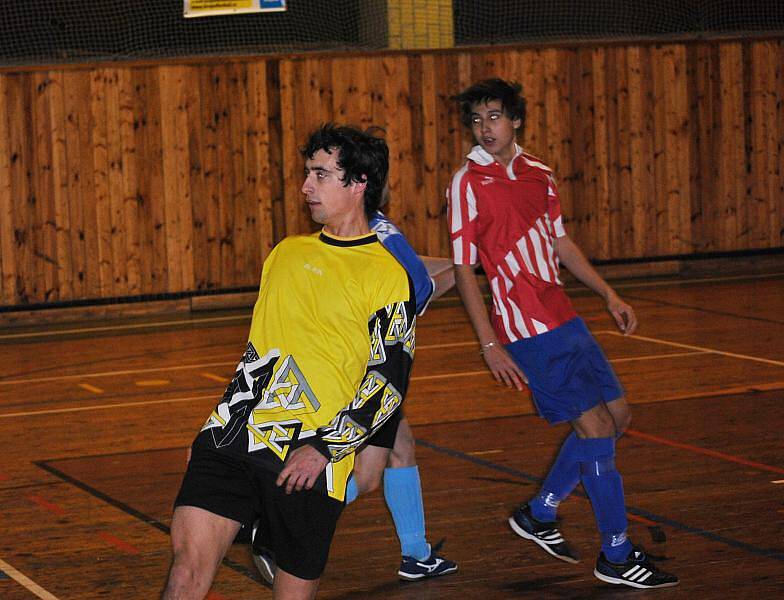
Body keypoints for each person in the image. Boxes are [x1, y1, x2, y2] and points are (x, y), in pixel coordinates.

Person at [162, 123, 418, 600]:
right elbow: (259, 353)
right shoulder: (285, 254)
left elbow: (388, 382)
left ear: (358, 182)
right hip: (235, 439)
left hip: (310, 456)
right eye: (307, 173)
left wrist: (326, 448)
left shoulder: (387, 275)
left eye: (320, 175)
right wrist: (217, 426)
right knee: (186, 570)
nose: (305, 187)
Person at [447, 78, 679, 589]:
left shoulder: (540, 174)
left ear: (516, 121)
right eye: (477, 119)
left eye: (494, 117)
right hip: (525, 326)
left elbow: (561, 243)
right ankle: (616, 555)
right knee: (594, 429)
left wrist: (608, 294)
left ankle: (539, 513)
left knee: (617, 416)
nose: (485, 128)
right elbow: (465, 269)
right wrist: (489, 344)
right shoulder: (468, 182)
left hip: (563, 314)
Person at [252, 199, 459, 583]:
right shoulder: (381, 233)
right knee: (365, 475)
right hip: (367, 374)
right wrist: (462, 270)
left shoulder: (356, 232)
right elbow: (418, 291)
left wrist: (450, 266)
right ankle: (273, 527)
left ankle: (416, 553)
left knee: (398, 451)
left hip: (348, 366)